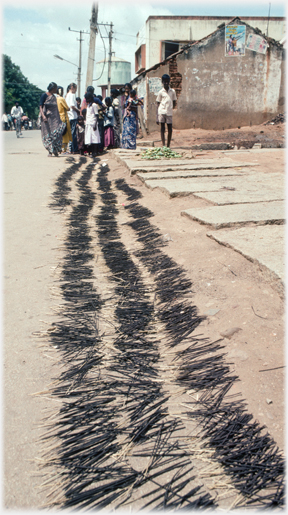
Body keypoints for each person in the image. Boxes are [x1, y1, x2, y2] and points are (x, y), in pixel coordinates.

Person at [39, 82, 66, 157]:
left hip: (55, 119)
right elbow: (40, 106)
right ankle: (50, 151)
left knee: (57, 133)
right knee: (48, 134)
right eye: (55, 88)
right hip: (47, 118)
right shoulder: (44, 95)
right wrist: (43, 116)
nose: (56, 89)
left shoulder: (54, 96)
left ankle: (56, 150)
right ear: (53, 88)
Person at [156, 74, 177, 148]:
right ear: (162, 82)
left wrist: (170, 108)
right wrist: (157, 117)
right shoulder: (161, 92)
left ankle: (168, 145)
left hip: (169, 112)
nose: (166, 83)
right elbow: (158, 104)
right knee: (162, 128)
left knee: (170, 129)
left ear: (169, 82)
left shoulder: (172, 91)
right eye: (165, 82)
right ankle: (163, 144)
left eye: (167, 81)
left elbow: (174, 102)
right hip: (162, 112)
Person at [56, 86, 72, 154]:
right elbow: (67, 108)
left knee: (59, 134)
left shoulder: (55, 98)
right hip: (63, 118)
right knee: (65, 135)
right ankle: (64, 150)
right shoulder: (61, 99)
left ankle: (59, 148)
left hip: (57, 118)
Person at [84, 91, 100, 158]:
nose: (87, 100)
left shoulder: (94, 105)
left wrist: (95, 124)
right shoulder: (88, 105)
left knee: (94, 138)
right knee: (90, 138)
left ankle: (94, 152)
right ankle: (90, 152)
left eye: (88, 98)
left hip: (93, 123)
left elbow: (97, 115)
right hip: (88, 123)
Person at [66, 82, 80, 153]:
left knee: (71, 133)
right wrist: (78, 110)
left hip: (68, 116)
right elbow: (72, 106)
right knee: (73, 134)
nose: (76, 90)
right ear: (72, 87)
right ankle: (74, 149)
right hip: (73, 116)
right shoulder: (72, 95)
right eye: (76, 88)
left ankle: (71, 148)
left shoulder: (67, 95)